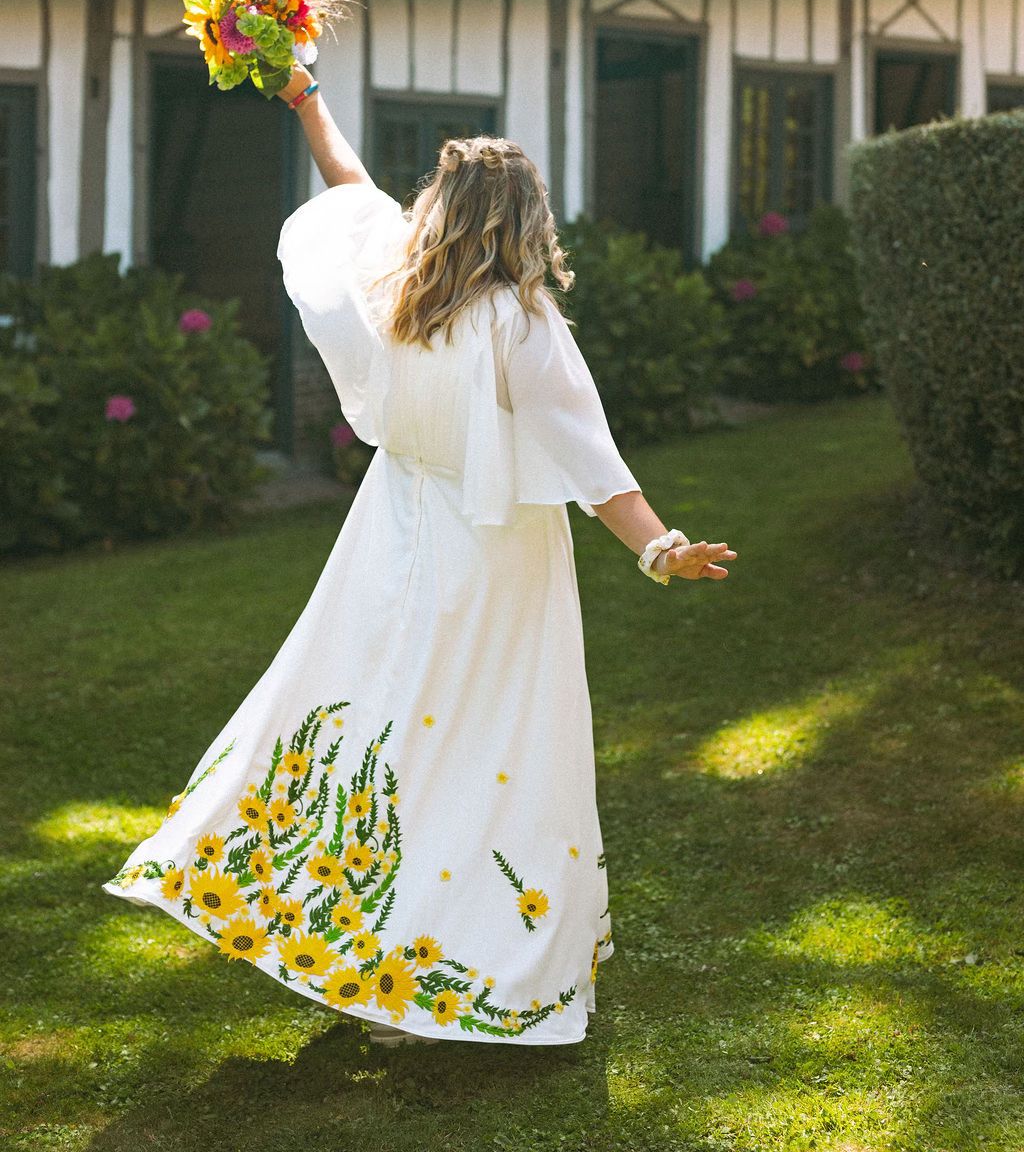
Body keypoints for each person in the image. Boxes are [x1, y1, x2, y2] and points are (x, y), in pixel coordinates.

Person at [103, 63, 737, 1048]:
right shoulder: (522, 327)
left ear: (439, 214)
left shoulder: (396, 288)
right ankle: (444, 958)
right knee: (491, 748)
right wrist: (660, 551)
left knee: (380, 719)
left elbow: (349, 186)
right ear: (523, 224)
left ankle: (370, 937)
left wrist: (305, 97)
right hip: (494, 566)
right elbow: (593, 465)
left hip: (394, 537)